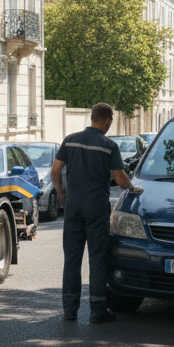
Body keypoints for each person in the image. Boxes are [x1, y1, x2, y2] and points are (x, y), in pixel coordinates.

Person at [51, 103, 141, 323]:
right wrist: (131, 187)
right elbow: (120, 180)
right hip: (96, 208)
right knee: (98, 257)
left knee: (72, 257)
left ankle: (70, 310)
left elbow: (55, 170)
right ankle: (97, 310)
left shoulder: (70, 139)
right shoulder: (109, 146)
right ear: (108, 121)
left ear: (92, 118)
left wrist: (62, 194)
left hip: (73, 206)